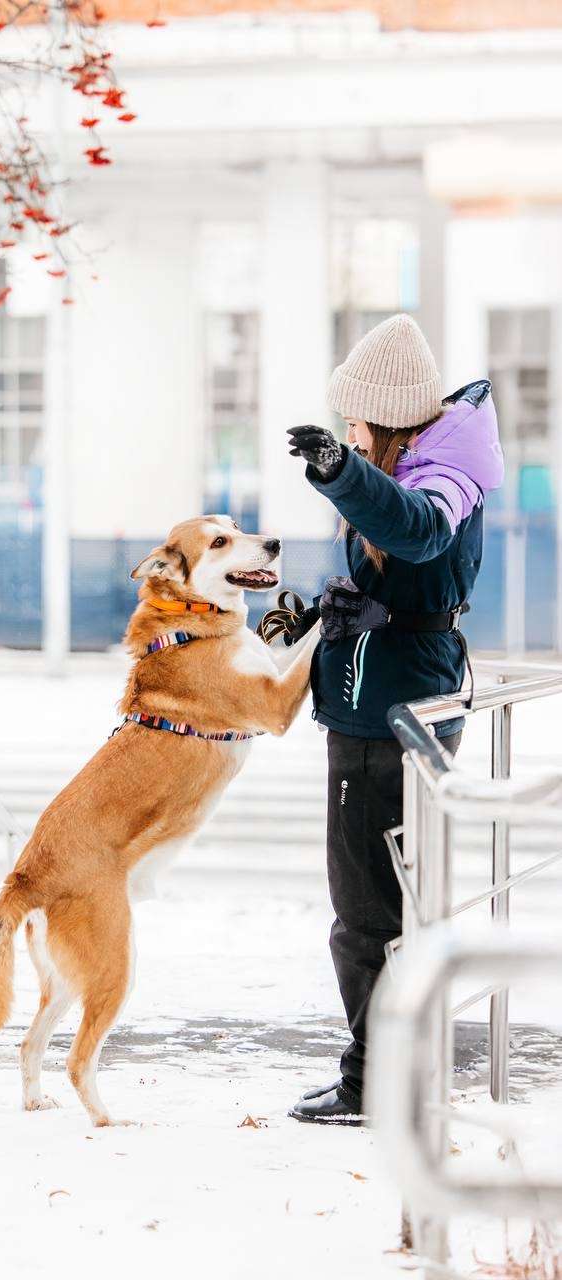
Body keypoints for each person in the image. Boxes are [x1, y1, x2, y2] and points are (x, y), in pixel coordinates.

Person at [284, 313, 504, 1125]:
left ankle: (372, 1084)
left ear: (385, 420)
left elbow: (412, 537)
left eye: (353, 424)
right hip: (393, 702)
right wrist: (319, 612)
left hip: (388, 721)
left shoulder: (436, 478)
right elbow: (396, 581)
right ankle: (387, 1071)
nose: (344, 433)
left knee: (367, 917)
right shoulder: (430, 460)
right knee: (390, 909)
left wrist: (343, 473)